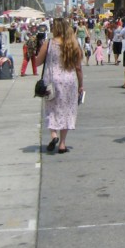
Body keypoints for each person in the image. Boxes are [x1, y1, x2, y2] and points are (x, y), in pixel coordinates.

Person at [36, 18, 83, 153]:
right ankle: (62, 144)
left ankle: (53, 135)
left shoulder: (49, 43)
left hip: (52, 81)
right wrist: (81, 85)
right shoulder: (73, 44)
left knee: (52, 108)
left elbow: (38, 62)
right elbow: (78, 68)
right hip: (69, 81)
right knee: (67, 110)